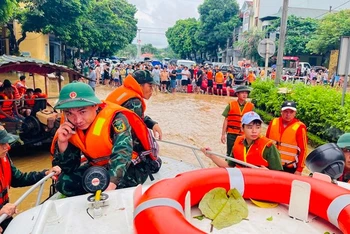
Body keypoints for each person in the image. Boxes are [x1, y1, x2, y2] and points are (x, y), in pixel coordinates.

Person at [51, 82, 158, 197]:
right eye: (69, 113)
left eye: (82, 112)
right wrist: (63, 143)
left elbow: (123, 153)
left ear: (95, 106)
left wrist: (111, 184)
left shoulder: (117, 120)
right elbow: (69, 168)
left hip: (131, 165)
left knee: (111, 189)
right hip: (100, 166)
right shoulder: (69, 126)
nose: (77, 120)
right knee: (64, 183)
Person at [0, 125, 60, 231]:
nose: (8, 147)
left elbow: (19, 178)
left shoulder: (4, 158)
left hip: (5, 214)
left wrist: (45, 174)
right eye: (2, 144)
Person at [202, 111, 283, 170]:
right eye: (250, 127)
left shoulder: (269, 147)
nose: (254, 131)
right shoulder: (238, 142)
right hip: (241, 183)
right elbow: (228, 166)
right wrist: (211, 155)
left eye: (258, 127)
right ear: (242, 128)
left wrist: (268, 173)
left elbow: (279, 175)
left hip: (260, 186)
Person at [105, 70, 162, 140]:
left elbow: (135, 117)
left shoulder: (125, 91)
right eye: (150, 86)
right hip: (115, 142)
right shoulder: (135, 102)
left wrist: (152, 124)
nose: (152, 89)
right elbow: (133, 133)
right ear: (140, 85)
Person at [266, 101, 308, 175]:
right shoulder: (273, 122)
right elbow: (265, 142)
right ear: (281, 111)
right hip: (271, 164)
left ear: (295, 113)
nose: (288, 114)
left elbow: (303, 150)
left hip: (288, 168)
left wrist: (299, 170)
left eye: (291, 112)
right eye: (285, 111)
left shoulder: (300, 127)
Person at [221, 85, 254, 157]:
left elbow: (253, 123)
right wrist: (223, 134)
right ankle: (228, 165)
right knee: (229, 152)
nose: (245, 94)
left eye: (246, 93)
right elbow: (226, 120)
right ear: (237, 94)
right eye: (242, 93)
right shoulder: (231, 105)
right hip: (231, 134)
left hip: (244, 134)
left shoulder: (251, 106)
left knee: (242, 153)